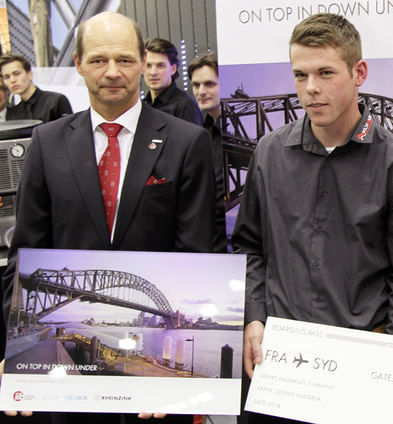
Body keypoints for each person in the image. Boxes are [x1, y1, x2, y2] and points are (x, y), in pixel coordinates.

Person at [1, 11, 216, 424]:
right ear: (78, 63)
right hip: (67, 389)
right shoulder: (46, 143)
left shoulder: (188, 142)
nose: (113, 72)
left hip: (158, 403)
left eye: (125, 59)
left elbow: (198, 249)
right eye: (99, 60)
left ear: (142, 62)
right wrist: (8, 351)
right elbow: (25, 253)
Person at [232, 12, 393, 423]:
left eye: (325, 72)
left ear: (359, 72)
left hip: (359, 368)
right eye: (300, 75)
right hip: (280, 366)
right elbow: (250, 246)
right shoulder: (269, 153)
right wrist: (253, 317)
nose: (311, 89)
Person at [188, 52, 226, 252]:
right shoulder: (203, 133)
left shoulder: (240, 132)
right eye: (196, 85)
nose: (201, 91)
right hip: (211, 242)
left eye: (209, 84)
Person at [143, 38, 203, 126]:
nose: (153, 72)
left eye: (160, 66)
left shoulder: (185, 106)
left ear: (173, 69)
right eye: (148, 65)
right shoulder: (143, 104)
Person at [0, 52, 72, 123]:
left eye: (17, 74)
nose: (12, 80)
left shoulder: (56, 101)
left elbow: (71, 131)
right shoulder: (14, 113)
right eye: (7, 77)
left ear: (30, 74)